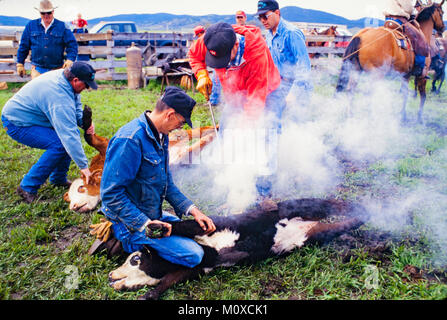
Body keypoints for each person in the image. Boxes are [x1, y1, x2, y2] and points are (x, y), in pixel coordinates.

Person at [97, 86, 216, 265]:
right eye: (181, 122)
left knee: (197, 232)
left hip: (153, 213)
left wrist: (194, 210)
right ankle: (124, 241)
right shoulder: (129, 140)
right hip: (131, 223)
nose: (180, 127)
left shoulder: (161, 134)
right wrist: (146, 225)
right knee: (194, 255)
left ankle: (156, 241)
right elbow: (110, 195)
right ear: (170, 114)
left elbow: (167, 183)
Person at [1, 61, 97, 203]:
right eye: (86, 85)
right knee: (60, 144)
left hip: (34, 118)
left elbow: (76, 104)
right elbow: (68, 135)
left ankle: (58, 179)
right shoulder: (58, 95)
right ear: (76, 80)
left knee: (64, 141)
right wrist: (84, 167)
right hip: (16, 122)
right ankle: (27, 187)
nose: (87, 88)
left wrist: (83, 122)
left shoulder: (67, 79)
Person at [256, 0, 311, 126]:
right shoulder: (269, 35)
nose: (263, 20)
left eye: (265, 16)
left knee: (296, 124)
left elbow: (304, 67)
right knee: (273, 120)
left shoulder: (291, 33)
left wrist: (294, 93)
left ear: (277, 13)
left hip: (297, 85)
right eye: (260, 18)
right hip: (279, 85)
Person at [16, 0, 78, 79]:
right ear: (39, 13)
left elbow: (72, 45)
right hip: (37, 69)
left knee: (55, 91)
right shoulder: (31, 25)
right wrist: (20, 63)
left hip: (57, 69)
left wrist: (70, 59)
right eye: (43, 13)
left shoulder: (62, 26)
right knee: (38, 91)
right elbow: (23, 46)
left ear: (53, 11)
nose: (46, 15)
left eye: (49, 12)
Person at [383, 0, 430, 77]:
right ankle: (419, 67)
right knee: (420, 39)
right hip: (399, 20)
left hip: (387, 20)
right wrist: (412, 13)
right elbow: (408, 8)